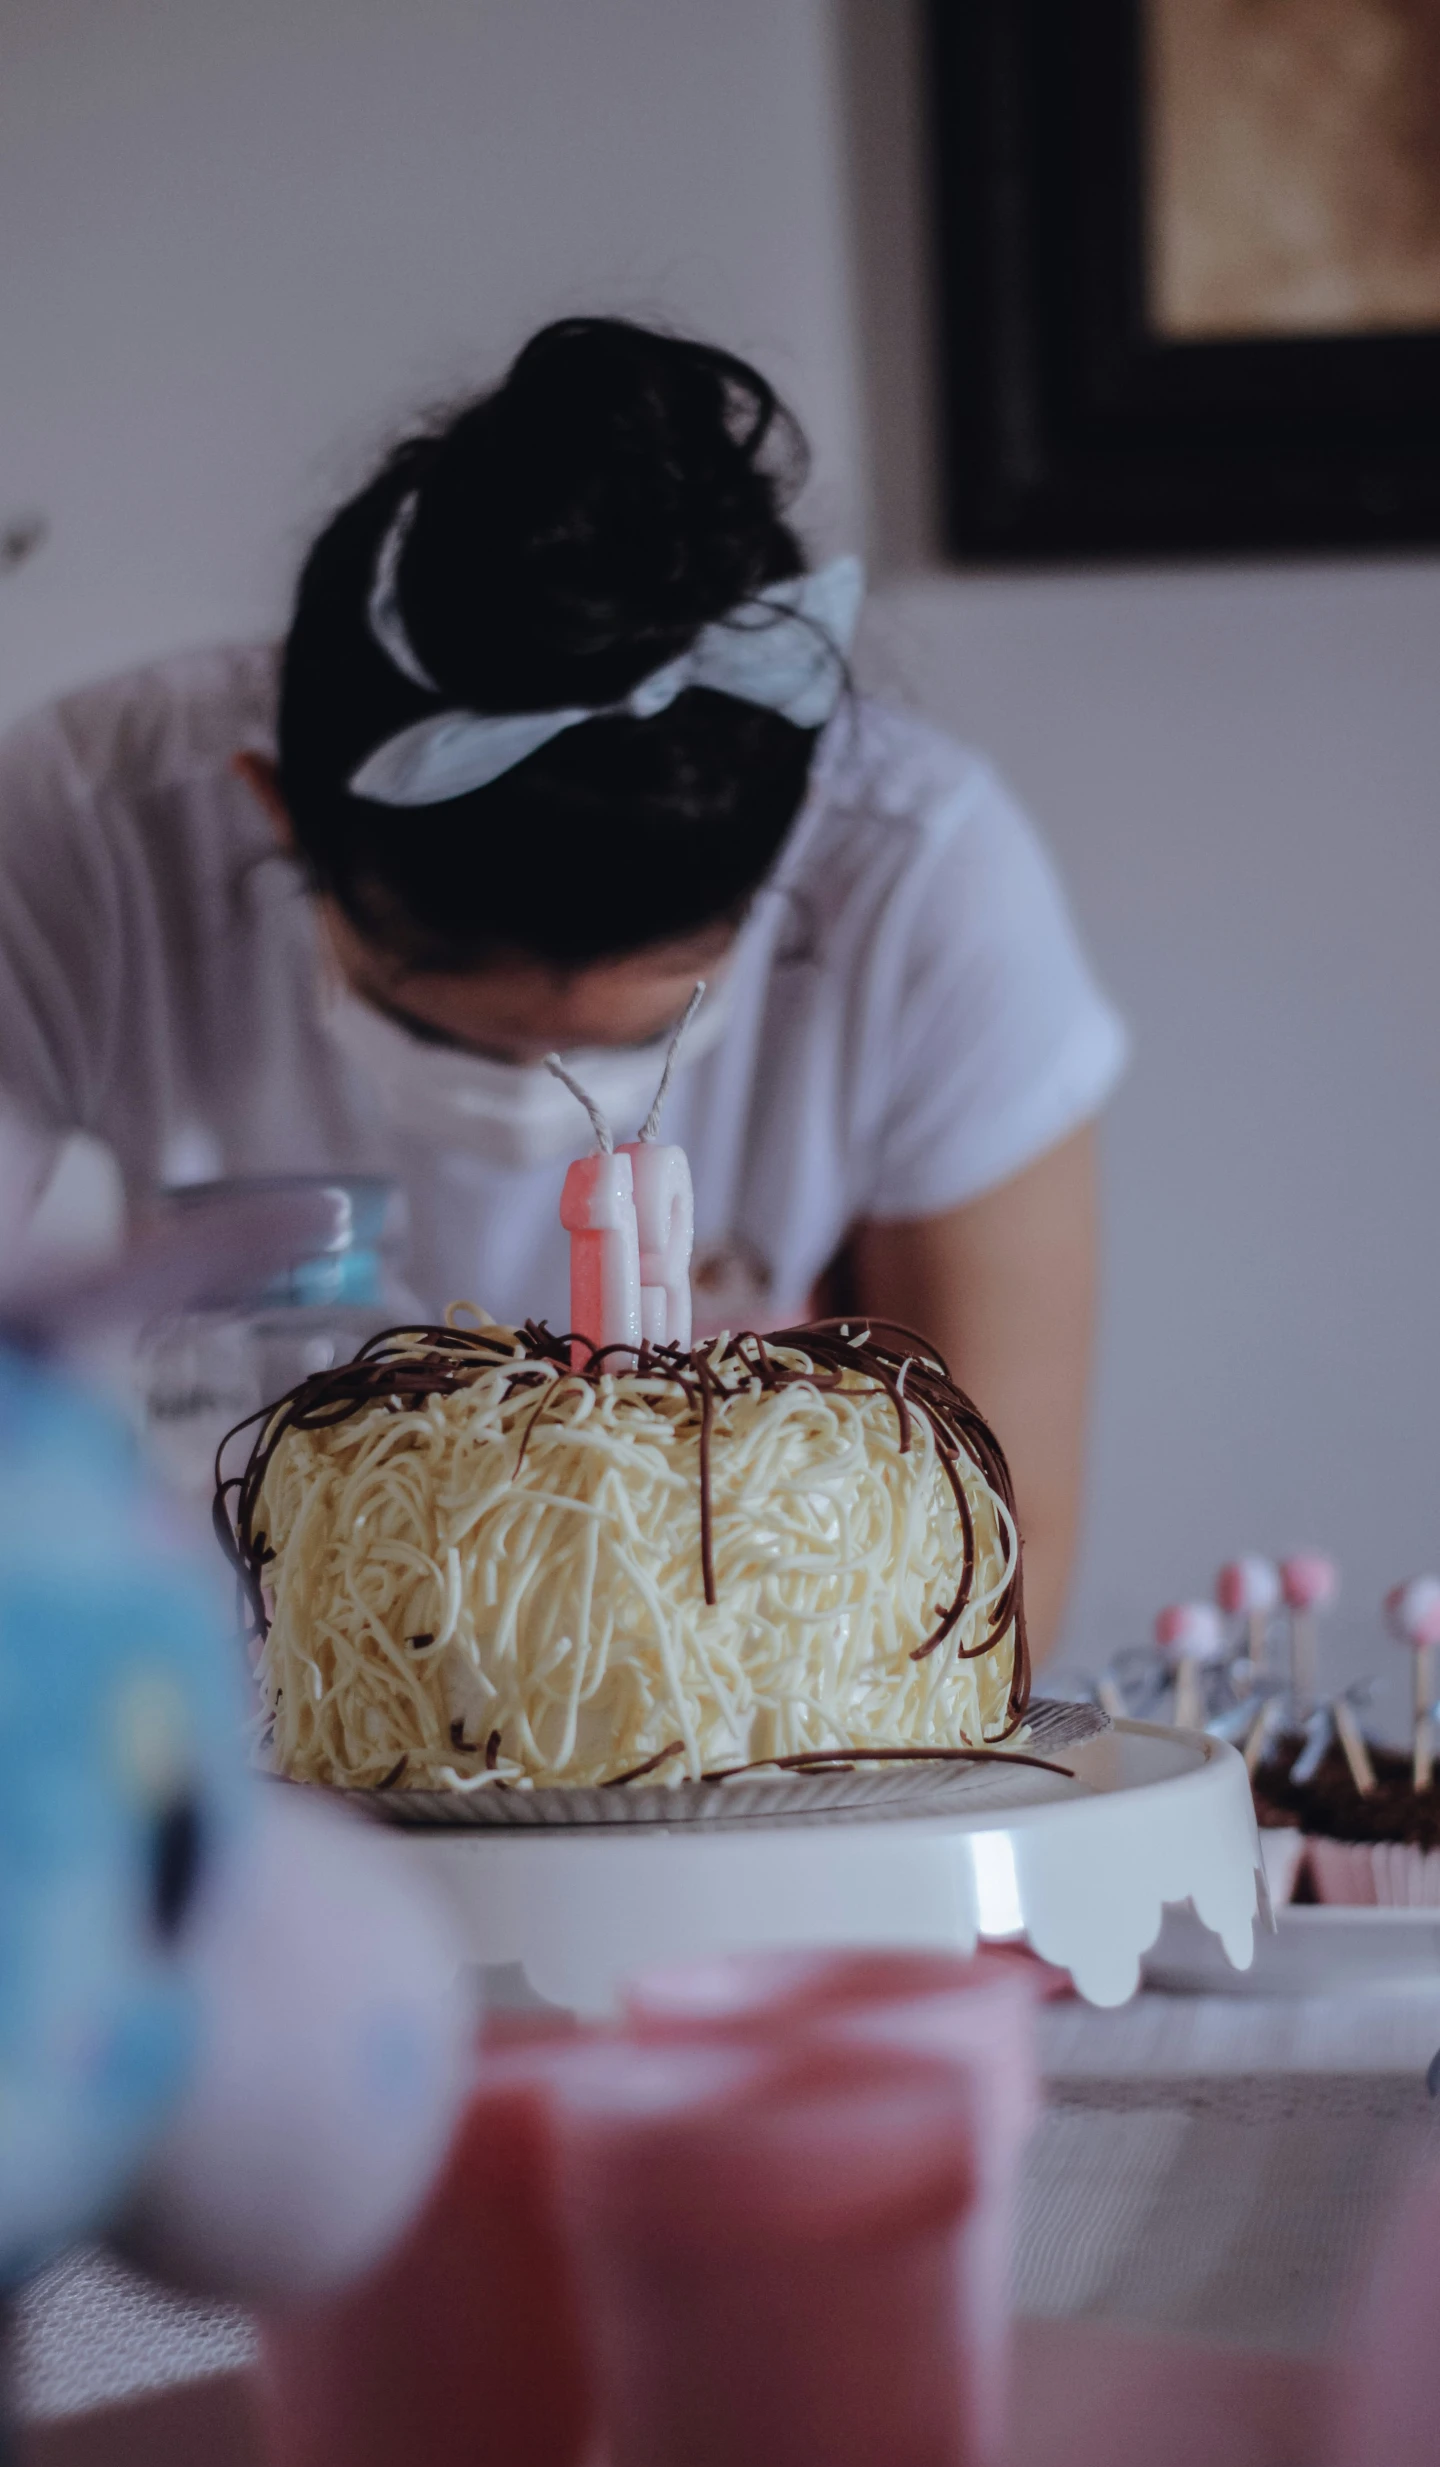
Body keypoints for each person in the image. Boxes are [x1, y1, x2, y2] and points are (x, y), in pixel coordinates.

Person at [0, 317, 1123, 1658]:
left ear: (783, 873)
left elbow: (1002, 1546)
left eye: (641, 1043)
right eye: (437, 1027)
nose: (549, 1115)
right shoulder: (87, 828)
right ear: (280, 817)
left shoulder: (922, 882)